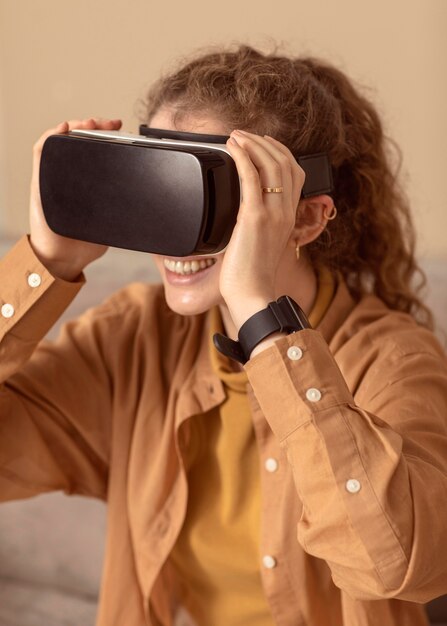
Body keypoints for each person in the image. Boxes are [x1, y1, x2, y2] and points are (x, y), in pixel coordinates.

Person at [1, 44, 446, 626]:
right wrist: (45, 263)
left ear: (306, 218)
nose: (172, 242)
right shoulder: (136, 339)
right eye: (156, 191)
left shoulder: (390, 359)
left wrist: (261, 313)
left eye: (209, 201)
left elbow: (401, 565)